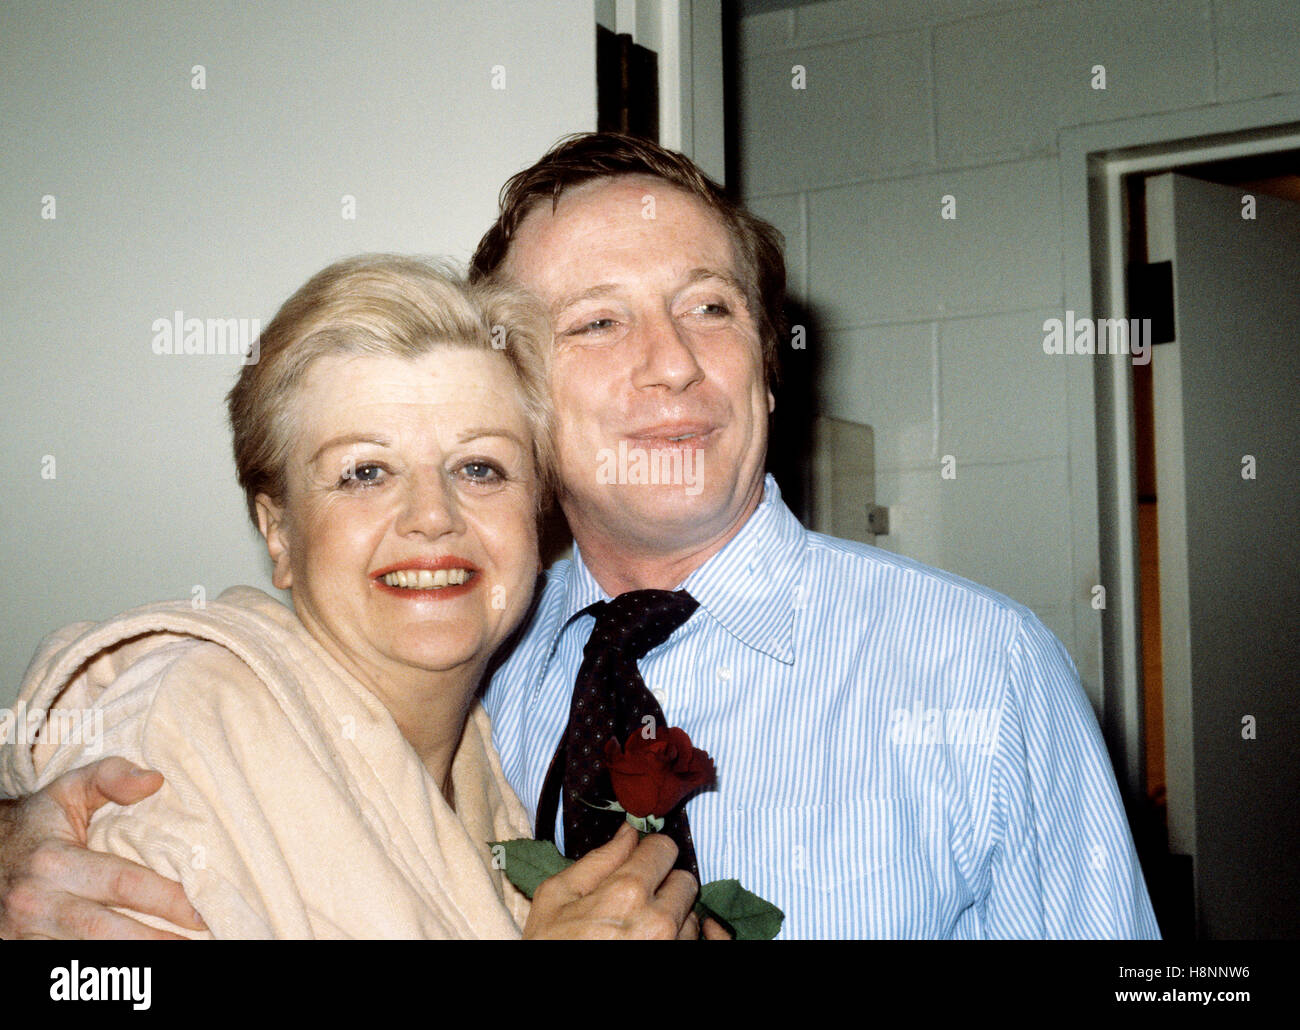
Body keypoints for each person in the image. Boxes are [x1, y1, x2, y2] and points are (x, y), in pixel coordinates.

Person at [0, 135, 1160, 939]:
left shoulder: (982, 671)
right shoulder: (453, 651)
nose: (671, 361)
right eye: (598, 321)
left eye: (711, 305)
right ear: (521, 403)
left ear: (766, 366)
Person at [0, 254, 709, 939]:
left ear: (535, 515)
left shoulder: (485, 777)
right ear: (279, 533)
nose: (433, 515)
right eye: (365, 472)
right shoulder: (183, 740)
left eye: (481, 467)